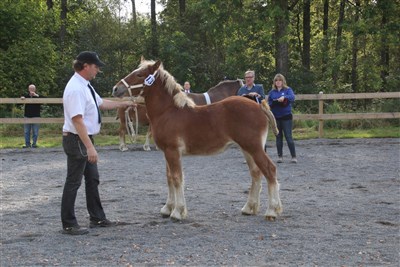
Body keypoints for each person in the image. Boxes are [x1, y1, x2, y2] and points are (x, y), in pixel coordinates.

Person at [61, 51, 136, 235]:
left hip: (83, 139)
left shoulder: (86, 86)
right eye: (96, 67)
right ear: (86, 66)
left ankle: (97, 218)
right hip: (77, 139)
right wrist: (89, 147)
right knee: (73, 182)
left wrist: (123, 104)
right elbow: (77, 120)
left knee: (92, 179)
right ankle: (69, 224)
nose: (98, 70)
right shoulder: (76, 89)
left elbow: (100, 103)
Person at [267, 73, 297, 163]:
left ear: (283, 81)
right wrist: (274, 102)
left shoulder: (288, 90)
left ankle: (293, 156)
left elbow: (292, 97)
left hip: (286, 116)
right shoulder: (272, 92)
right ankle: (280, 156)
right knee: (278, 137)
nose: (278, 82)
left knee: (288, 137)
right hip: (276, 117)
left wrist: (284, 97)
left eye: (280, 80)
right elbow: (269, 103)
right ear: (274, 82)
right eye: (276, 80)